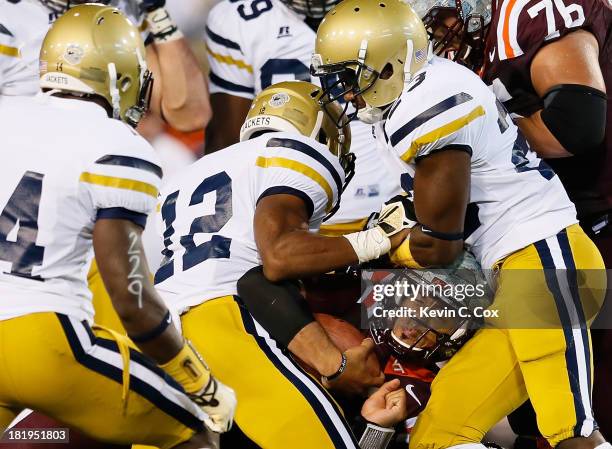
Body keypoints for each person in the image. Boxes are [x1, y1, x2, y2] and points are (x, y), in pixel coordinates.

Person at [311, 1, 608, 448]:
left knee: (571, 434)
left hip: (542, 257)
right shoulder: (407, 102)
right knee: (440, 434)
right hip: (503, 268)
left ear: (389, 60)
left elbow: (441, 247)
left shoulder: (430, 101)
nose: (347, 93)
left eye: (353, 76)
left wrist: (378, 243)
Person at [0, 5, 235, 447]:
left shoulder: (7, 116)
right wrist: (199, 380)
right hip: (45, 338)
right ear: (120, 77)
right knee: (195, 429)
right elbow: (131, 300)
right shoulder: (116, 144)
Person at [154, 79, 412, 448]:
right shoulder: (295, 152)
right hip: (225, 321)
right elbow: (278, 258)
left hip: (159, 335)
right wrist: (380, 238)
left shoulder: (185, 176)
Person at [406, 0, 612, 443]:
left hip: (574, 233)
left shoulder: (527, 10)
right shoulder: (451, 65)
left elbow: (575, 125)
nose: (437, 29)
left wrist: (486, 128)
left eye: (440, 13)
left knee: (576, 423)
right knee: (522, 423)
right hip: (521, 252)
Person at [203, 0, 401, 235]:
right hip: (291, 217)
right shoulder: (237, 19)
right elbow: (228, 143)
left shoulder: (395, 11)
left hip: (395, 208)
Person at [0, 0, 209, 132]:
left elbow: (191, 115)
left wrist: (158, 14)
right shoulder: (8, 17)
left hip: (103, 165)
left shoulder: (127, 10)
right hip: (26, 173)